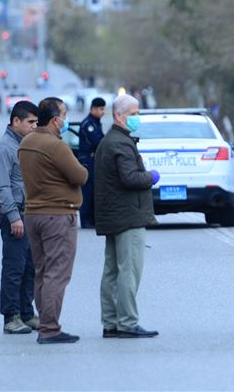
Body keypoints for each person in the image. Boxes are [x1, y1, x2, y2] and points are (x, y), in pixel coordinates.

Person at [18, 97, 88, 344]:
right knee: (57, 273)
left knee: (42, 271)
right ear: (56, 120)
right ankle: (50, 328)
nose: (66, 119)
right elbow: (79, 175)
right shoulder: (55, 146)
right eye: (65, 115)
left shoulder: (26, 142)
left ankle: (45, 321)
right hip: (57, 215)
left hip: (33, 214)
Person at [94, 95, 160, 338]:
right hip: (127, 216)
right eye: (133, 114)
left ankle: (110, 322)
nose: (137, 117)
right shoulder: (120, 143)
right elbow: (130, 178)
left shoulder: (110, 140)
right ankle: (127, 322)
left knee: (112, 271)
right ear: (119, 116)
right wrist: (151, 177)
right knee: (129, 271)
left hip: (114, 215)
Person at [0, 101, 39, 334]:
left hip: (29, 214)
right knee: (14, 268)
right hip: (15, 216)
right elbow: (2, 188)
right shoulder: (4, 148)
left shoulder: (26, 146)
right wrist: (13, 217)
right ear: (16, 121)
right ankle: (11, 317)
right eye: (30, 122)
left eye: (36, 122)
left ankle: (27, 313)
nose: (34, 126)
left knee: (30, 267)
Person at [77, 97, 106, 228]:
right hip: (87, 161)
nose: (103, 112)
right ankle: (85, 219)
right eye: (100, 109)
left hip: (94, 160)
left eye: (104, 109)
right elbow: (98, 141)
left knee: (95, 190)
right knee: (87, 191)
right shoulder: (88, 124)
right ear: (93, 109)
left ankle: (93, 218)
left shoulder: (96, 122)